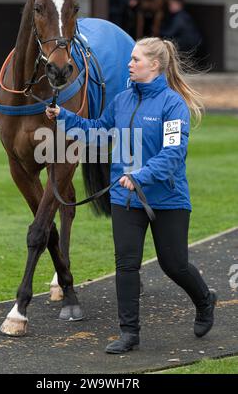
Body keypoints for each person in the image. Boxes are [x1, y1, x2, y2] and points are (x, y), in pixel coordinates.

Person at [46, 38, 217, 354]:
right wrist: (64, 118)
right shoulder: (122, 100)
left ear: (154, 65)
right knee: (126, 264)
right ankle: (129, 333)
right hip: (126, 201)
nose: (129, 63)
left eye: (135, 59)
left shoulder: (172, 104)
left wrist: (140, 176)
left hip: (167, 200)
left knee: (174, 264)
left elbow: (173, 154)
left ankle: (205, 300)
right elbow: (98, 130)